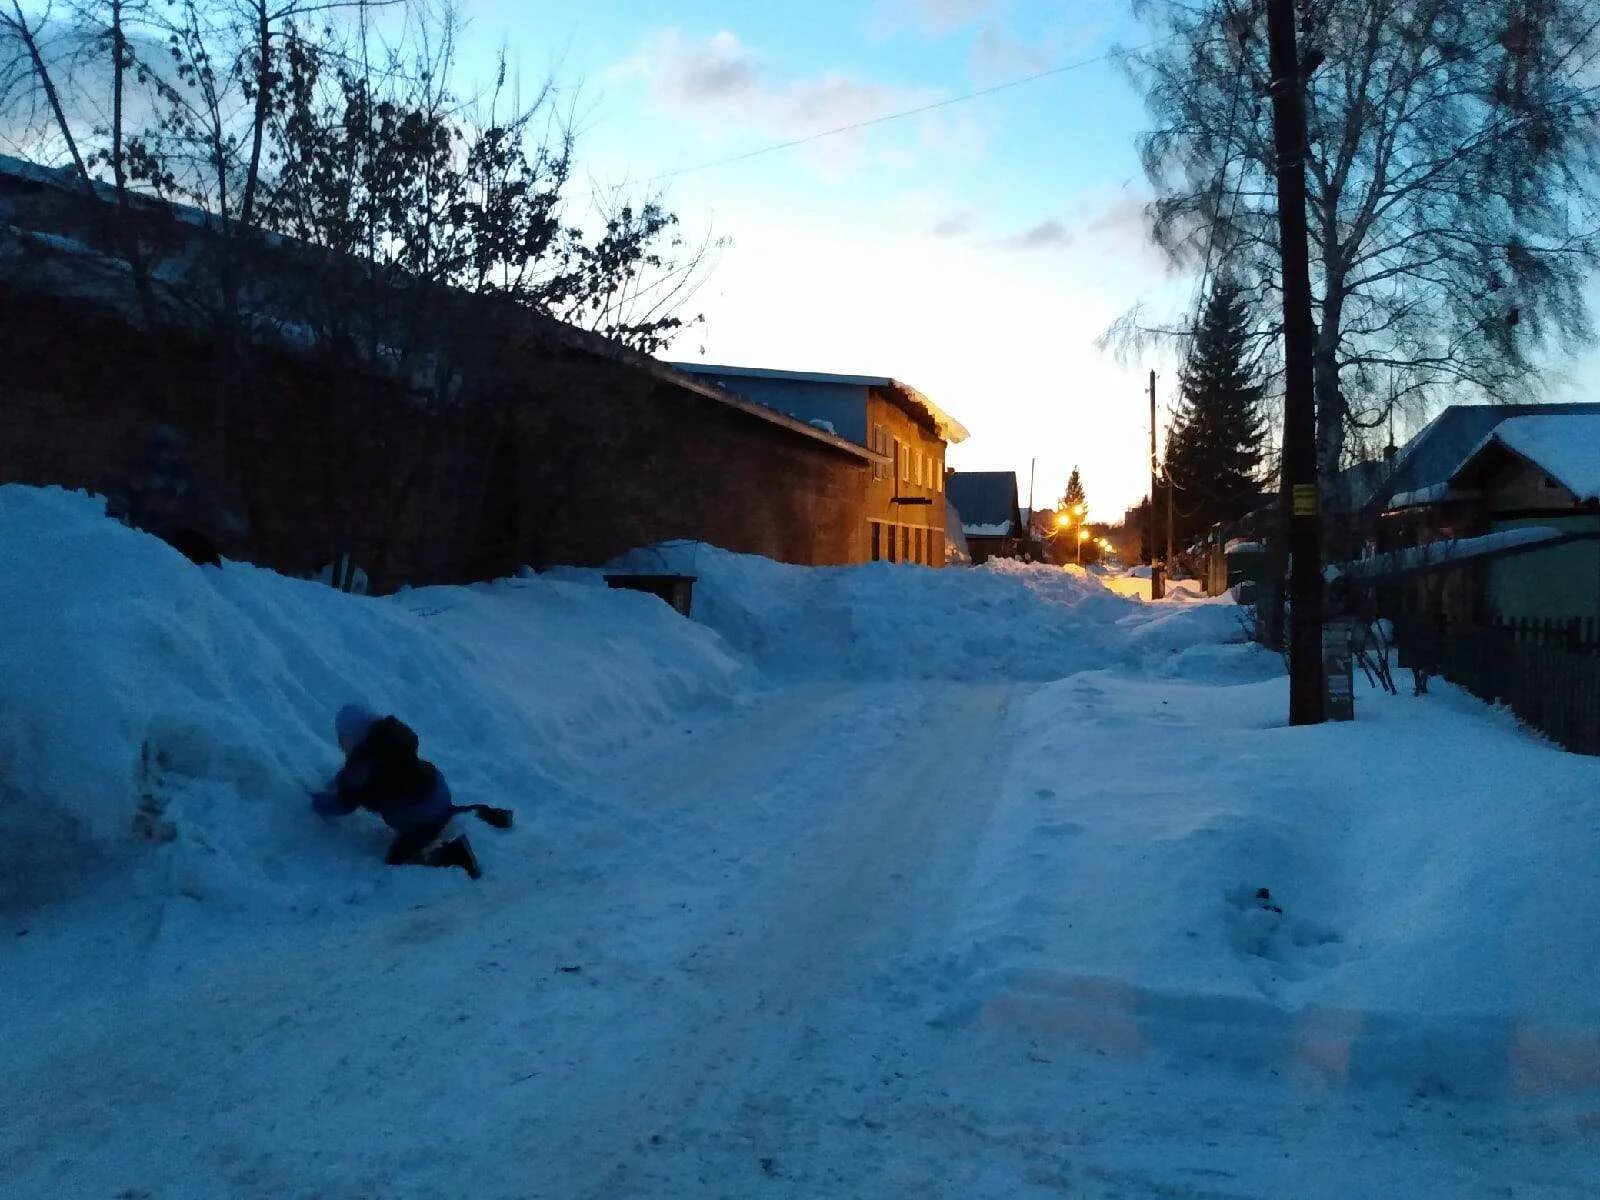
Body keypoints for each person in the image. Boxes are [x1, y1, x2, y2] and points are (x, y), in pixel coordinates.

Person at [310, 705, 513, 880]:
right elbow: (356, 777)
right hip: (436, 788)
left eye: (342, 737)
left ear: (353, 734)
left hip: (420, 813)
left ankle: (454, 854)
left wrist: (312, 802)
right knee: (441, 813)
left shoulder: (365, 766)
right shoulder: (388, 738)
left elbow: (343, 803)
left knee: (397, 858)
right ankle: (490, 815)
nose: (341, 743)